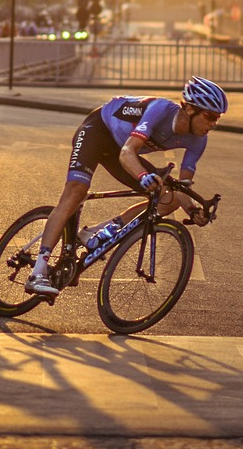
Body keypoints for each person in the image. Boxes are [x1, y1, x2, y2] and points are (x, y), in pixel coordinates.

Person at [24, 76, 227, 296]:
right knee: (76, 192)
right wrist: (143, 176)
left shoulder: (199, 140)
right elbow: (127, 152)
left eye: (217, 118)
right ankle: (38, 272)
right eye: (210, 116)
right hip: (98, 131)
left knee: (169, 200)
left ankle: (96, 232)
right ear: (189, 109)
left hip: (119, 149)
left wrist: (194, 210)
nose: (213, 124)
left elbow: (181, 187)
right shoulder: (160, 110)